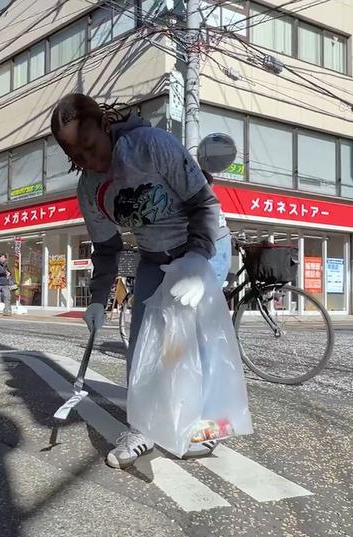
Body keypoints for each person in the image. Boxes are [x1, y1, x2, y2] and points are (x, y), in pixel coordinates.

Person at [50, 93, 232, 468]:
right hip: (153, 257)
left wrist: (197, 262)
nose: (88, 160)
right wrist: (98, 299)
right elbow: (106, 247)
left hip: (202, 244)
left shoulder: (150, 146)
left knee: (188, 343)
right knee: (143, 347)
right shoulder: (89, 188)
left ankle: (203, 423)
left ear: (104, 126)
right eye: (75, 156)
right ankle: (143, 428)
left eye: (90, 147)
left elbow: (204, 205)